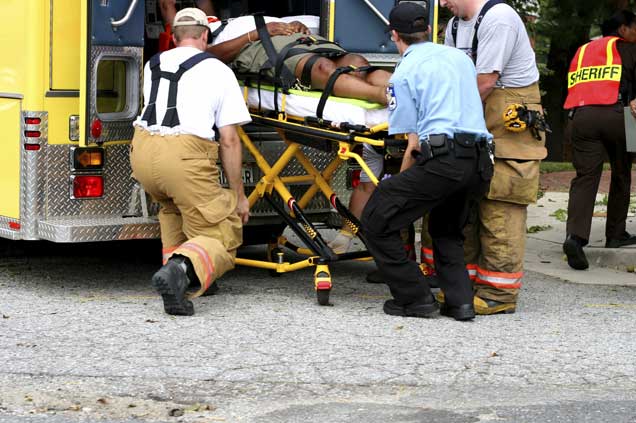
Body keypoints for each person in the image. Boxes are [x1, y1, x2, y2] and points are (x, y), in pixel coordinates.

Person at [361, 2, 493, 321]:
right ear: (429, 31)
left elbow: (413, 143)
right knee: (447, 228)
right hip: (480, 161)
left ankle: (415, 298)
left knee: (376, 218)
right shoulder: (460, 58)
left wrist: (397, 187)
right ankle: (460, 303)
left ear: (394, 35)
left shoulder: (403, 72)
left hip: (444, 159)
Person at [428, 0, 547, 315]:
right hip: (477, 116)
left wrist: (440, 114)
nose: (441, 3)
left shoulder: (499, 19)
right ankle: (463, 285)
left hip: (510, 123)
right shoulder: (455, 25)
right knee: (466, 195)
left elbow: (484, 82)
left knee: (500, 201)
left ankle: (498, 293)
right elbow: (455, 76)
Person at [131, 8, 251, 316]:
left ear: (173, 36)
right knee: (222, 232)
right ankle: (181, 268)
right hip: (183, 156)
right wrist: (238, 195)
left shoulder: (153, 63)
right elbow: (229, 139)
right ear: (205, 35)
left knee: (173, 209)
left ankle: (185, 281)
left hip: (143, 152)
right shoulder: (218, 70)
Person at [563, 10, 636, 270]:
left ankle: (575, 237)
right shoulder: (627, 49)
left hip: (580, 117)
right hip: (619, 115)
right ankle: (615, 234)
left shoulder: (582, 52)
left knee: (584, 178)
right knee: (621, 172)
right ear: (623, 30)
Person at [206, 16, 392, 105]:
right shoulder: (208, 37)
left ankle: (404, 88)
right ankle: (382, 95)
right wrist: (258, 33)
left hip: (297, 39)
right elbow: (209, 56)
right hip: (263, 47)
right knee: (322, 67)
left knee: (356, 61)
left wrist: (296, 24)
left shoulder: (229, 20)